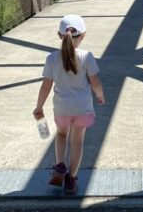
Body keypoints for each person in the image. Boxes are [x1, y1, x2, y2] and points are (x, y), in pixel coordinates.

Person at [33, 13, 105, 196]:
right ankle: (71, 179)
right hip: (82, 108)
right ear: (83, 36)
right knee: (78, 141)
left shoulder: (51, 59)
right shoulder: (86, 57)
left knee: (62, 135)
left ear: (59, 36)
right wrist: (100, 95)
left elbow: (46, 86)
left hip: (62, 108)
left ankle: (59, 164)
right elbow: (95, 82)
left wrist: (39, 106)